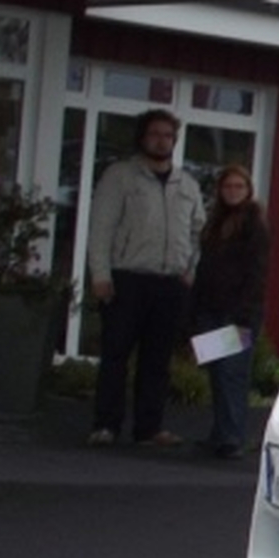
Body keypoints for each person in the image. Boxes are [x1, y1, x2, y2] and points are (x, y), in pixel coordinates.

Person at [85, 109, 204, 447]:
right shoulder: (120, 177)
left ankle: (149, 428)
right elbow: (102, 228)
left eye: (167, 135)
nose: (161, 140)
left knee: (157, 360)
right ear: (142, 137)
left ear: (175, 141)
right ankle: (106, 425)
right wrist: (101, 274)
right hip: (127, 278)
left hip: (169, 283)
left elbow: (199, 233)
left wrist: (189, 270)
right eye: (155, 134)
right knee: (116, 355)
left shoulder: (188, 185)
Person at [189, 163, 271, 458]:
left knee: (232, 373)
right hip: (210, 309)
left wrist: (245, 314)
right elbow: (204, 267)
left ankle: (233, 437)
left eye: (239, 186)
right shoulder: (214, 224)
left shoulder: (254, 225)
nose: (233, 191)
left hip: (238, 313)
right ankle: (220, 433)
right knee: (216, 373)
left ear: (248, 190)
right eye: (228, 186)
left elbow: (256, 273)